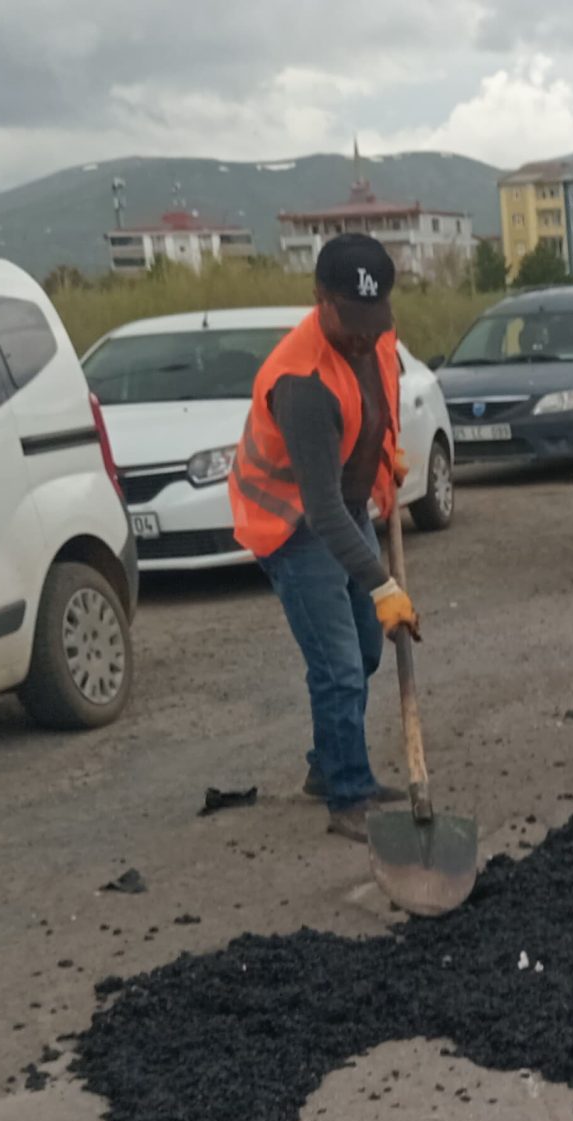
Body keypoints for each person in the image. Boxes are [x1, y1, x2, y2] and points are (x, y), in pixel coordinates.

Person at [228, 233, 419, 843]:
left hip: (346, 505)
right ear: (320, 299)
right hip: (292, 524)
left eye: (373, 319)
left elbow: (378, 404)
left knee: (365, 651)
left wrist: (387, 456)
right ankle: (348, 793)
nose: (364, 335)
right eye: (351, 320)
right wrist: (383, 585)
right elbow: (323, 511)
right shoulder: (301, 382)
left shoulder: (377, 335)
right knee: (338, 666)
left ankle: (327, 762)